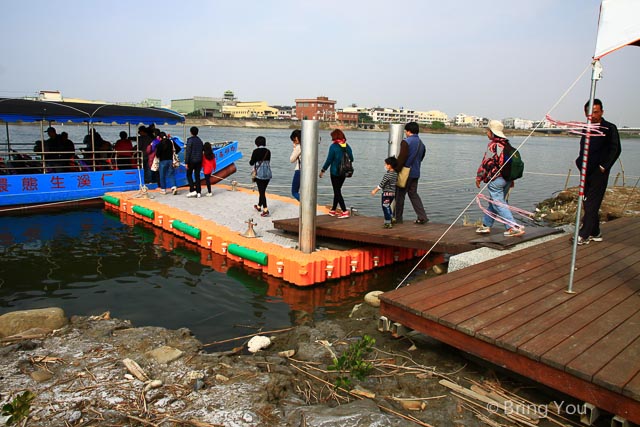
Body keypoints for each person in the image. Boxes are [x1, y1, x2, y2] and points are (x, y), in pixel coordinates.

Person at [574, 98, 622, 245]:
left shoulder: (609, 128)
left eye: (595, 112)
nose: (592, 115)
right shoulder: (586, 128)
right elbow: (583, 149)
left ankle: (584, 234)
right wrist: (579, 162)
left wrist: (604, 166)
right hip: (585, 171)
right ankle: (596, 232)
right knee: (585, 200)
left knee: (592, 204)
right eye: (589, 112)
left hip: (599, 172)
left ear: (601, 112)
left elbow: (616, 149)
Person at [475, 120, 524, 237]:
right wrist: (511, 181)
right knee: (495, 202)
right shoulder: (507, 145)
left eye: (488, 131)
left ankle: (513, 227)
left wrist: (479, 177)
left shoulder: (493, 146)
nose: (486, 133)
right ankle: (486, 226)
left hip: (496, 180)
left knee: (498, 203)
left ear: (492, 133)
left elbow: (487, 163)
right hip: (507, 179)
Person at [394, 122, 428, 224]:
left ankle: (397, 218)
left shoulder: (406, 142)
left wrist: (395, 170)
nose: (405, 132)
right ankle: (422, 217)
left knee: (400, 195)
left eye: (405, 131)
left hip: (406, 172)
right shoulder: (421, 144)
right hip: (416, 172)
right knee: (413, 194)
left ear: (408, 131)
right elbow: (421, 157)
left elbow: (401, 158)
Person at [319, 129, 354, 218]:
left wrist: (323, 170)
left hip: (335, 172)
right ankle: (333, 210)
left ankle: (345, 211)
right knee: (337, 190)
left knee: (337, 191)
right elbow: (352, 159)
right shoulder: (347, 146)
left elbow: (329, 160)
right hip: (344, 172)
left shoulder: (333, 146)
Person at [371, 156, 398, 228]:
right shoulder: (395, 174)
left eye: (385, 164)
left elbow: (382, 184)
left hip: (386, 194)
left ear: (389, 165)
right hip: (392, 193)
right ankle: (392, 217)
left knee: (385, 207)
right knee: (388, 206)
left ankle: (388, 222)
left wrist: (375, 190)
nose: (385, 166)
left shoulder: (387, 175)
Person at [249, 136, 272, 217]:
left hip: (259, 174)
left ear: (257, 143)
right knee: (262, 191)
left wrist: (252, 159)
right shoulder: (268, 151)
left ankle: (265, 209)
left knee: (261, 192)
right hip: (268, 174)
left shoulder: (255, 151)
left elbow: (251, 163)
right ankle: (259, 206)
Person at [185, 126, 204, 198]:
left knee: (189, 175)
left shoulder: (190, 140)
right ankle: (199, 192)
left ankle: (192, 190)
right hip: (199, 161)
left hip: (191, 161)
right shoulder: (200, 141)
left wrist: (186, 162)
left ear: (191, 132)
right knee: (197, 176)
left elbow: (188, 152)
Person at [289, 129, 302, 201]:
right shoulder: (308, 145)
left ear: (297, 137)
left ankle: (305, 202)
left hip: (299, 171)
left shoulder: (299, 147)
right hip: (309, 171)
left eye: (294, 140)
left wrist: (294, 148)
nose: (294, 142)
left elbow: (291, 160)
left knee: (294, 192)